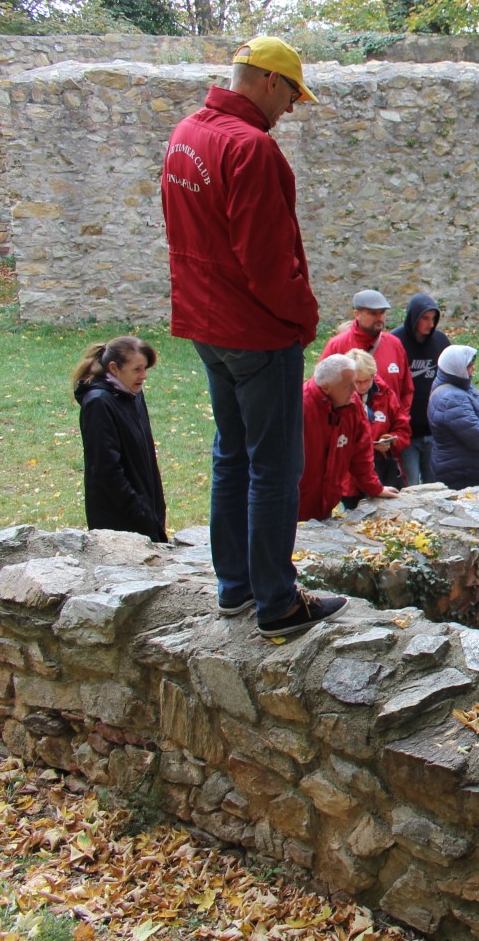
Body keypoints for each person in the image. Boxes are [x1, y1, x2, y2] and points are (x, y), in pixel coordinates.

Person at [161, 35, 338, 637]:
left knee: (231, 455)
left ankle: (234, 586)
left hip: (205, 322)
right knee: (275, 465)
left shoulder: (187, 134)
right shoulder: (250, 148)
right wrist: (303, 317)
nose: (291, 108)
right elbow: (267, 261)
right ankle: (277, 603)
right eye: (291, 93)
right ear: (267, 80)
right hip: (256, 330)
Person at [72, 336, 167, 543]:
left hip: (145, 512)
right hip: (120, 522)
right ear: (114, 369)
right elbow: (107, 469)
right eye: (137, 369)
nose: (143, 376)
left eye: (145, 369)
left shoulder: (132, 394)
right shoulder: (98, 404)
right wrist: (139, 512)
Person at [300, 354, 396, 523]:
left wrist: (374, 488)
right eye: (348, 385)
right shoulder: (300, 406)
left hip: (325, 505)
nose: (354, 390)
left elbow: (361, 451)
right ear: (326, 387)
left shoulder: (352, 403)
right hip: (294, 508)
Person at [322, 289, 415, 434]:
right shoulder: (337, 345)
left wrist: (398, 428)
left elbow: (406, 390)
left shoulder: (395, 344)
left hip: (388, 441)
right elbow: (322, 390)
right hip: (349, 438)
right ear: (356, 314)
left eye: (382, 313)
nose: (379, 318)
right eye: (373, 313)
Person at [428, 345, 479, 489]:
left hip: (467, 469)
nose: (474, 368)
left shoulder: (461, 385)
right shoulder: (451, 398)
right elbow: (478, 436)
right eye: (469, 365)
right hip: (462, 476)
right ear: (456, 366)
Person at [392, 293, 449, 485]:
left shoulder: (440, 341)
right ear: (413, 317)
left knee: (435, 485)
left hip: (434, 429)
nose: (430, 324)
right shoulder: (395, 341)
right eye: (425, 318)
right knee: (410, 486)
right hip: (407, 431)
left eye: (433, 318)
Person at [345, 348, 408, 497]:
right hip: (350, 479)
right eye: (357, 382)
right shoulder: (341, 396)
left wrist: (391, 441)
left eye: (366, 380)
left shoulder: (385, 394)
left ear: (374, 375)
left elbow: (403, 430)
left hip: (382, 470)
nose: (361, 386)